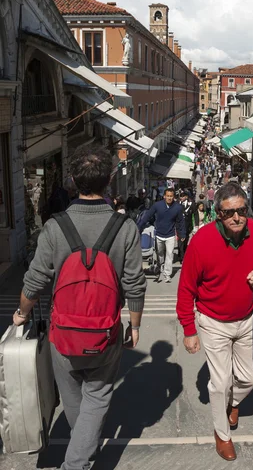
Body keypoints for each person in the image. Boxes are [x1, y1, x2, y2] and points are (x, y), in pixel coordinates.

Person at [14, 145, 146, 470]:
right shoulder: (125, 227)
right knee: (97, 397)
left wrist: (21, 313)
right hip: (105, 333)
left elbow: (34, 281)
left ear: (72, 180)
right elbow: (134, 283)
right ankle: (80, 458)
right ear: (110, 179)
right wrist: (136, 324)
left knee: (74, 398)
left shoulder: (55, 226)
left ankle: (80, 453)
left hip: (63, 335)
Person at [176, 182, 253, 461]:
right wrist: (189, 329)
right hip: (212, 320)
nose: (236, 217)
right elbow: (186, 288)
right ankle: (223, 434)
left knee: (251, 376)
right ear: (217, 213)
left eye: (242, 210)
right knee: (219, 384)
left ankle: (233, 403)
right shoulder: (202, 241)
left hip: (249, 318)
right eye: (228, 212)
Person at [138, 188, 186, 283]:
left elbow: (180, 222)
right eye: (167, 196)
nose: (169, 198)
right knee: (160, 253)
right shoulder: (157, 205)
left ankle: (167, 274)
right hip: (159, 234)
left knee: (169, 254)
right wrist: (139, 227)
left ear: (174, 197)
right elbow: (147, 215)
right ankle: (161, 265)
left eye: (171, 196)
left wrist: (182, 234)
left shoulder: (177, 208)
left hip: (170, 235)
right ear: (164, 196)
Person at [179, 190, 195, 261]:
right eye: (180, 196)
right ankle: (181, 256)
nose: (181, 198)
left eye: (183, 196)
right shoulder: (177, 203)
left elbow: (195, 214)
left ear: (186, 197)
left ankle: (184, 252)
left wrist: (196, 224)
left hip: (188, 225)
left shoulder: (191, 204)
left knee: (185, 240)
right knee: (180, 241)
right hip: (179, 226)